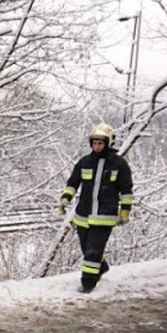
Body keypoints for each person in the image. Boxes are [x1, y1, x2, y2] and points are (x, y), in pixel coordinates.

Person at [58, 124, 134, 293]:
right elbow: (73, 183)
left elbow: (126, 190)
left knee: (93, 252)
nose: (97, 146)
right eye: (95, 143)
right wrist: (65, 198)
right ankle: (102, 266)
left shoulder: (119, 164)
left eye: (100, 143)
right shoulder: (84, 162)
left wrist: (125, 211)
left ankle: (88, 284)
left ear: (108, 143)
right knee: (87, 249)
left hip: (104, 216)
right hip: (83, 215)